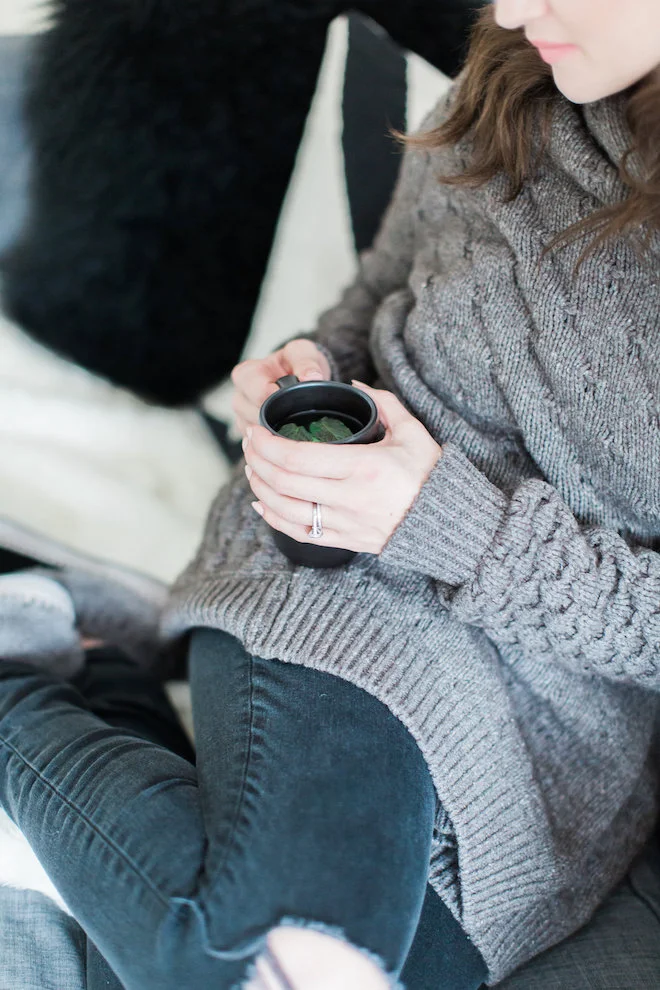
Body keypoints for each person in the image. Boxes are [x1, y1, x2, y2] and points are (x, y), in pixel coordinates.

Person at [0, 1, 659, 988]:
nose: (512, 8)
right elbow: (376, 292)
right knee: (278, 964)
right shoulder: (517, 80)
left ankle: (102, 680)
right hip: (337, 571)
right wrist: (307, 369)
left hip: (560, 718)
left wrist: (448, 521)